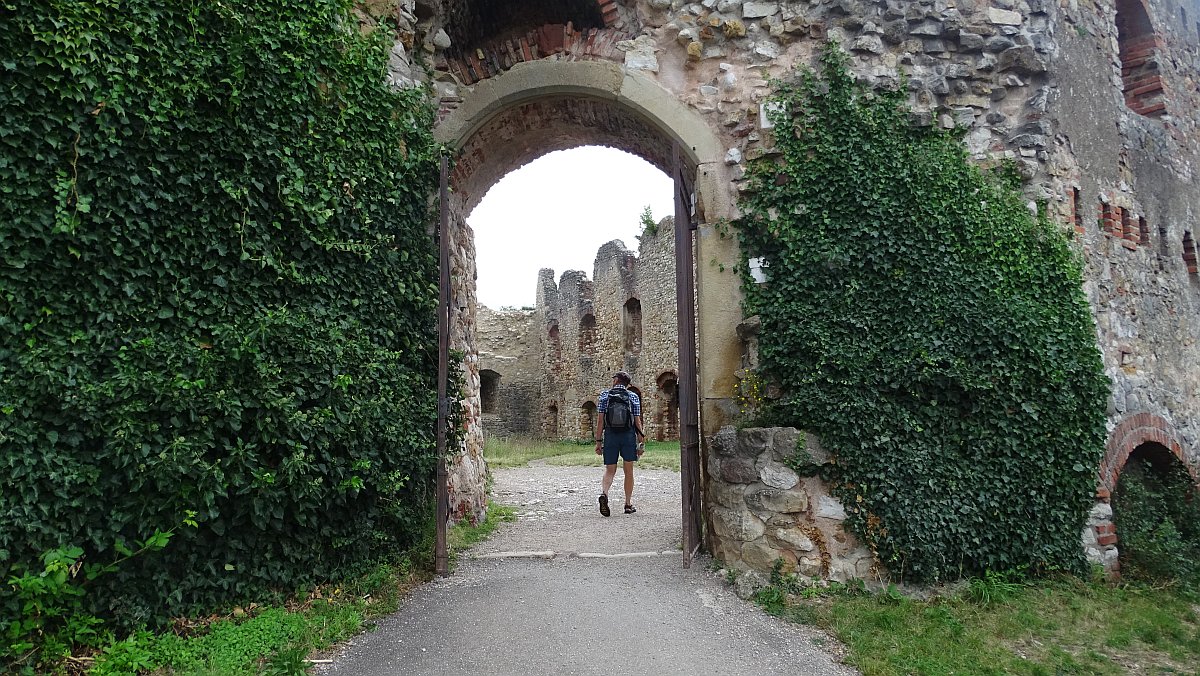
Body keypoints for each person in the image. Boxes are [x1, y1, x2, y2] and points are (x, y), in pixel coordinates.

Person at [594, 370, 645, 517]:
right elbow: (637, 422)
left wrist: (598, 441)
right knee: (628, 471)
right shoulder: (633, 396)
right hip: (628, 436)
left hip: (611, 435)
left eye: (613, 378)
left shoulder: (605, 396)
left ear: (616, 380)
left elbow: (600, 421)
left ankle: (604, 493)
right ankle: (628, 504)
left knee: (610, 470)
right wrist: (641, 443)